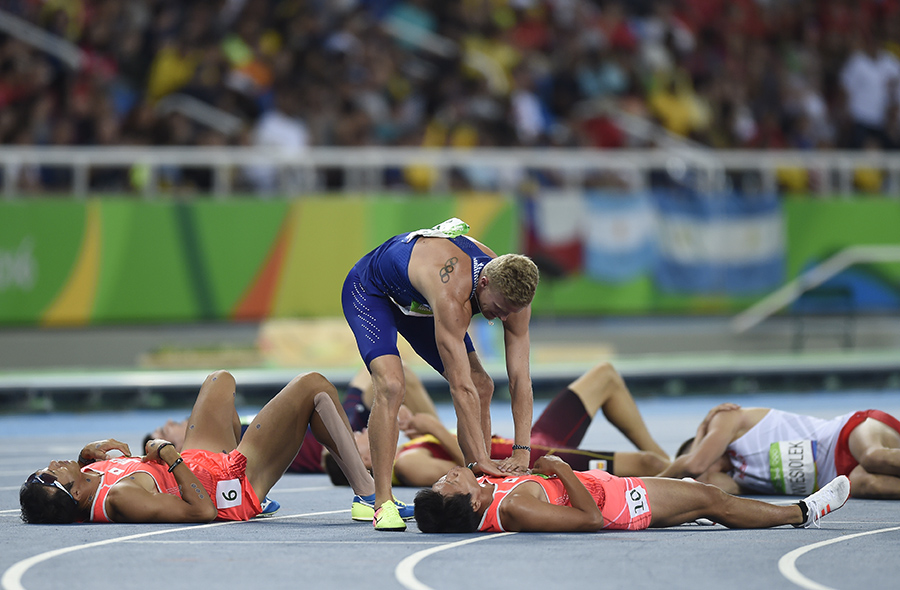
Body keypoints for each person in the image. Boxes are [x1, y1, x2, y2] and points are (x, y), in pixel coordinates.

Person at [342, 217, 539, 530]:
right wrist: (480, 458)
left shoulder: (515, 301)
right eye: (499, 309)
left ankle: (479, 482)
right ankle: (379, 501)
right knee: (392, 385)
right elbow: (460, 388)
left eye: (510, 312)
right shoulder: (452, 294)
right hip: (373, 292)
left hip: (419, 302)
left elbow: (520, 379)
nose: (503, 317)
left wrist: (522, 452)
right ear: (485, 283)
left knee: (482, 384)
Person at [19, 370, 381, 524]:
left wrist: (87, 455)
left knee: (218, 381)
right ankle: (368, 495)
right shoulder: (121, 498)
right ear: (71, 492)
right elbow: (202, 513)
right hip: (228, 487)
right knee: (312, 386)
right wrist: (169, 455)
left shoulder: (87, 478)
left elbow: (95, 477)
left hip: (200, 461)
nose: (54, 461)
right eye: (52, 471)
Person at [335, 361, 670, 488]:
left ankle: (681, 467)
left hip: (527, 440)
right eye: (358, 438)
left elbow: (404, 372)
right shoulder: (408, 465)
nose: (363, 430)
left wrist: (412, 419)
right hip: (531, 458)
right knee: (649, 465)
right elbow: (468, 469)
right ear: (364, 461)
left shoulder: (409, 446)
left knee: (605, 375)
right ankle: (690, 475)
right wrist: (434, 430)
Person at [414, 455, 851, 533]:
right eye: (447, 484)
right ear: (469, 503)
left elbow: (469, 476)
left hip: (613, 491)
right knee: (713, 500)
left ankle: (684, 506)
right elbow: (589, 521)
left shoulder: (483, 494)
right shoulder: (517, 508)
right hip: (622, 505)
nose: (449, 475)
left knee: (698, 496)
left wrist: (472, 471)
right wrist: (561, 470)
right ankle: (801, 512)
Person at [657, 404, 900, 499]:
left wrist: (701, 432)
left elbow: (694, 465)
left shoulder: (726, 419)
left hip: (847, 432)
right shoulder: (743, 481)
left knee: (873, 458)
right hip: (843, 476)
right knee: (869, 484)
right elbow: (700, 480)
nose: (702, 471)